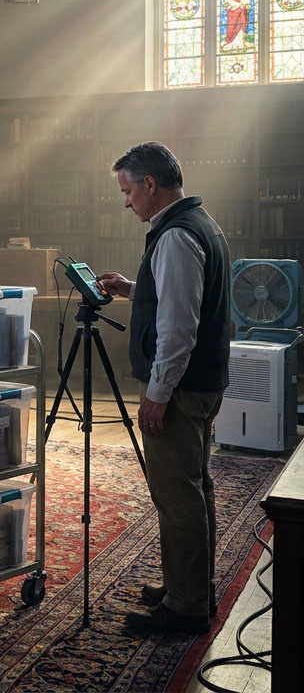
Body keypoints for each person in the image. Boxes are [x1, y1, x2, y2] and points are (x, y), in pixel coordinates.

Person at [95, 141, 231, 636]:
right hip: (204, 383)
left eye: (128, 191)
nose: (126, 201)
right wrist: (137, 289)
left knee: (177, 495)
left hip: (181, 388)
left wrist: (157, 393)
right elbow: (183, 298)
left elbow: (179, 327)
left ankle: (187, 606)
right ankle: (189, 584)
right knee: (195, 489)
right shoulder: (201, 223)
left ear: (150, 184)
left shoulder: (175, 237)